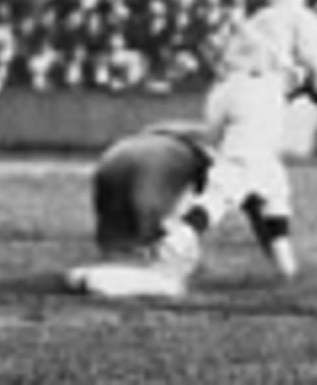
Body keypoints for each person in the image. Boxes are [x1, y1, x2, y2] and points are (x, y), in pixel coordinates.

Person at [149, 0, 317, 294]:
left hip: (224, 94)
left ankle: (287, 271)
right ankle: (178, 237)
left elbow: (224, 61)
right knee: (232, 180)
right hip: (259, 95)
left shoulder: (256, 20)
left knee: (272, 184)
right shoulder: (299, 16)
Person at [65, 122, 213, 298]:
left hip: (114, 154)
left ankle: (104, 270)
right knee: (155, 240)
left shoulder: (182, 131)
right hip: (160, 162)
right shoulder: (223, 146)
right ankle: (114, 280)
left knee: (117, 240)